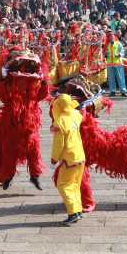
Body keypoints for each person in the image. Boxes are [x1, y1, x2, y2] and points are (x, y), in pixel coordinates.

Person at [50, 94, 85, 226]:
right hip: (80, 155)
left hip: (69, 158)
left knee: (63, 185)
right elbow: (79, 115)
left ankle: (72, 213)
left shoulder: (60, 122)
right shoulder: (75, 115)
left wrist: (54, 158)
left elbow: (59, 144)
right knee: (75, 184)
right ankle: (78, 210)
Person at [105, 32, 127, 97]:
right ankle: (112, 91)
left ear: (114, 37)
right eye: (110, 37)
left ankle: (123, 91)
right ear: (108, 38)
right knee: (111, 78)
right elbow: (104, 52)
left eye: (112, 36)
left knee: (121, 78)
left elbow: (122, 51)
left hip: (118, 63)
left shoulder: (118, 43)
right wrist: (105, 55)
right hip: (109, 63)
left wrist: (120, 54)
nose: (111, 37)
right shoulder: (107, 44)